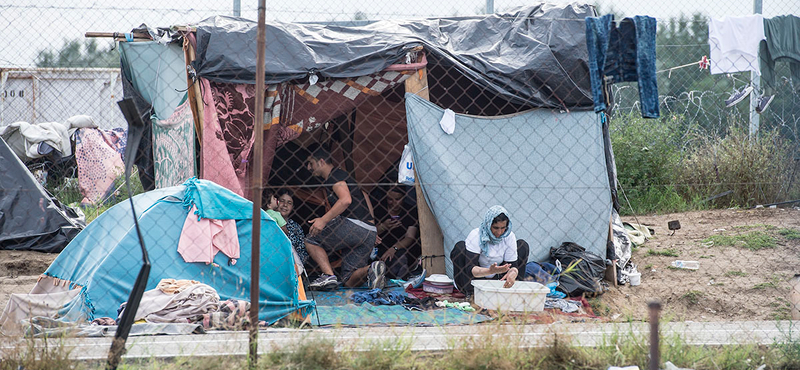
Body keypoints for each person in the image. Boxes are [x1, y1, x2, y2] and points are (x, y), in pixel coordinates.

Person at [303, 147, 378, 290]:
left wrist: (323, 220)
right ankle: (372, 268)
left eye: (310, 163)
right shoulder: (340, 176)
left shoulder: (335, 175)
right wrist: (371, 224)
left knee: (311, 239)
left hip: (354, 225)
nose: (308, 167)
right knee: (348, 280)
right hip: (368, 230)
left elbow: (345, 200)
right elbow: (365, 196)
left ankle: (328, 275)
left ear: (321, 162)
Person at [450, 205, 529, 295]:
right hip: (475, 278)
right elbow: (470, 269)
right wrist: (490, 271)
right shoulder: (476, 235)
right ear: (488, 224)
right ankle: (470, 293)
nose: (499, 232)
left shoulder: (509, 236)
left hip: (498, 277)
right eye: (495, 228)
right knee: (459, 247)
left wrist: (513, 272)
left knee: (523, 246)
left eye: (503, 228)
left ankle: (511, 290)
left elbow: (513, 265)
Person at [276, 188, 309, 265]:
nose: (285, 205)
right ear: (276, 202)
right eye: (282, 201)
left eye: (289, 203)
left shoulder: (295, 227)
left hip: (291, 264)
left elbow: (302, 252)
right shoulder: (269, 221)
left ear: (293, 207)